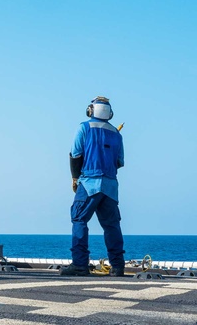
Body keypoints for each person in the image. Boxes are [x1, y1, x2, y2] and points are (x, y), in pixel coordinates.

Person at [60, 96, 126, 277]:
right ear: (109, 113)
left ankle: (80, 264)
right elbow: (119, 162)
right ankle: (118, 266)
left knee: (79, 219)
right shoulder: (117, 134)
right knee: (112, 225)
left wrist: (75, 178)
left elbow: (75, 154)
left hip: (89, 182)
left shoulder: (84, 127)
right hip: (111, 186)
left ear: (91, 110)